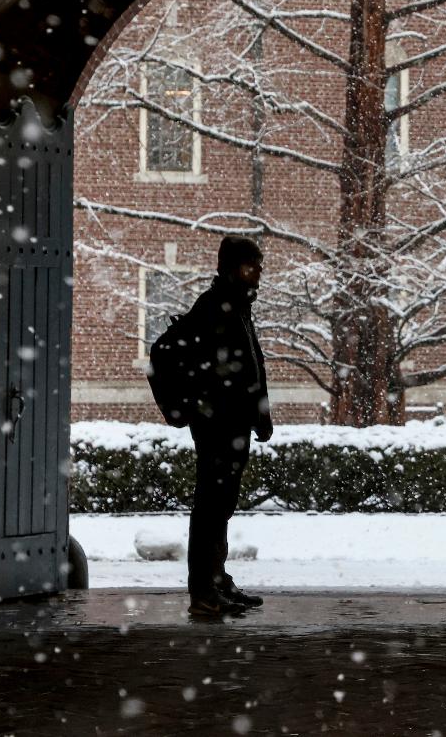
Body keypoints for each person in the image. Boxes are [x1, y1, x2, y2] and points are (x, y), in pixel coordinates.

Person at [181, 236, 274, 617]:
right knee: (211, 506)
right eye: (251, 267)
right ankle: (204, 589)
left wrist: (259, 416)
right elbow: (230, 374)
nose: (258, 275)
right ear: (231, 267)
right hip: (219, 424)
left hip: (230, 423)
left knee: (220, 506)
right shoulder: (216, 308)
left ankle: (216, 581)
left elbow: (249, 368)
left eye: (259, 267)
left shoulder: (236, 307)